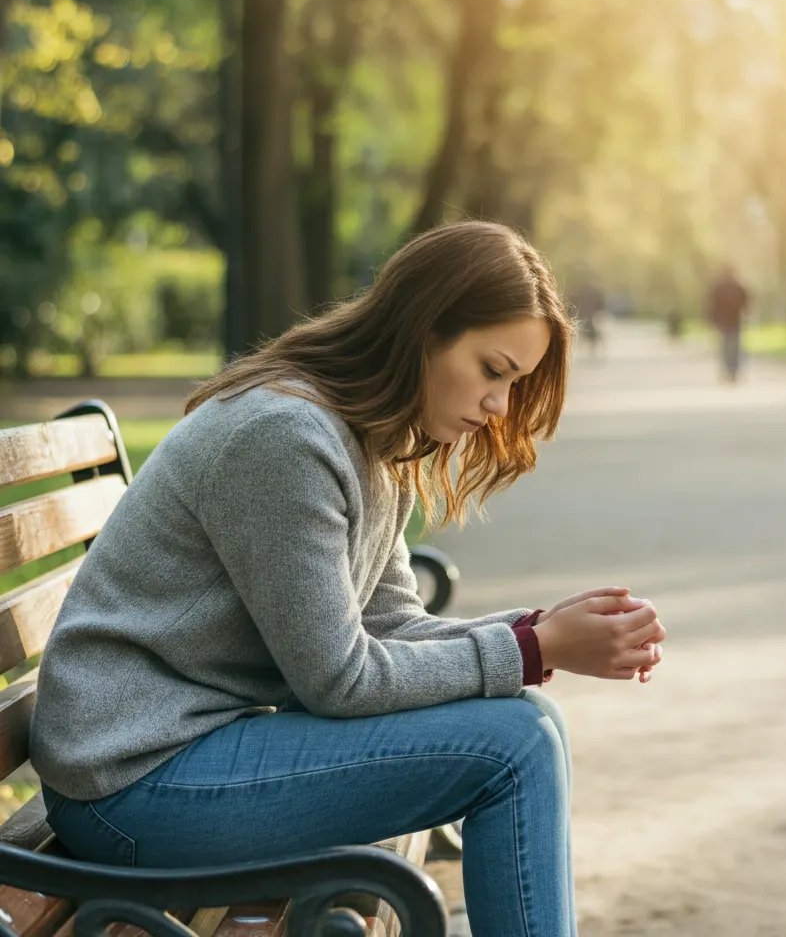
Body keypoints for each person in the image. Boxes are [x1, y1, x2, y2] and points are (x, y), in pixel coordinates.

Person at [29, 221, 667, 937]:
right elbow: (340, 681)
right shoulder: (285, 437)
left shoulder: (368, 438)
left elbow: (390, 625)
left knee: (532, 724)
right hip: (131, 788)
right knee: (514, 746)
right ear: (425, 330)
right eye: (494, 371)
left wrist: (533, 630)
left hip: (185, 755)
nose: (500, 409)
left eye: (514, 385)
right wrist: (535, 649)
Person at [707, 263, 750, 382]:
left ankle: (730, 371)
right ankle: (732, 371)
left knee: (727, 347)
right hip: (733, 320)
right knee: (733, 346)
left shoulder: (720, 286)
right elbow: (746, 302)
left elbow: (712, 305)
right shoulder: (737, 285)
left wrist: (712, 320)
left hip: (725, 321)